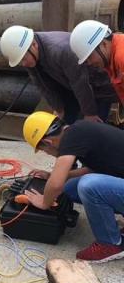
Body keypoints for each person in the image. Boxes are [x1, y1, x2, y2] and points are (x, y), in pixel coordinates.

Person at [22, 111, 124, 263]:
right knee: (71, 187)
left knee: (89, 185)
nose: (48, 154)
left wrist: (44, 202)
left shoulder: (72, 137)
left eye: (44, 150)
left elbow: (56, 185)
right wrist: (55, 175)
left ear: (48, 142)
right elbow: (95, 169)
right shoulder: (80, 130)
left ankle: (110, 244)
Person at [0, 25, 117, 124]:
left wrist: (90, 113)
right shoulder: (29, 55)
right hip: (72, 89)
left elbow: (81, 83)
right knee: (67, 127)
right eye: (20, 61)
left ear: (34, 45)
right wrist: (58, 108)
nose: (24, 64)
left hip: (97, 87)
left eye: (24, 59)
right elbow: (42, 86)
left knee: (92, 130)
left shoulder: (60, 50)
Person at [70, 19, 124, 104]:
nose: (90, 63)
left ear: (103, 44)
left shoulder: (121, 57)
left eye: (90, 57)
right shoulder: (111, 61)